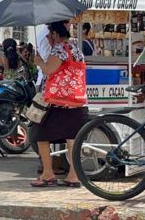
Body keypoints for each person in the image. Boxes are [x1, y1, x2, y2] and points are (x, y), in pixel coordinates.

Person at [32, 21, 88, 188]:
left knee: (40, 135)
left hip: (58, 101)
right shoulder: (76, 49)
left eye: (50, 35)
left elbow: (49, 70)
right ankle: (73, 175)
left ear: (55, 34)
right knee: (72, 138)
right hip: (76, 99)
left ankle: (48, 173)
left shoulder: (59, 49)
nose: (48, 38)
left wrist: (39, 61)